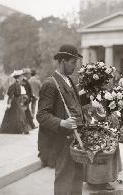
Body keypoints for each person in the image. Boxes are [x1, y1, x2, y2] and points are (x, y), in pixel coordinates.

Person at [37, 44, 84, 195]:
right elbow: (42, 115)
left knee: (77, 179)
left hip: (77, 140)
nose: (75, 66)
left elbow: (75, 105)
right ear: (63, 60)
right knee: (64, 180)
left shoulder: (69, 80)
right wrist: (62, 122)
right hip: (62, 142)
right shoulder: (50, 84)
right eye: (73, 62)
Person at [0, 70, 30, 134]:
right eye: (21, 76)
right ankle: (20, 130)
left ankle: (22, 130)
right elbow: (11, 95)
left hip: (18, 101)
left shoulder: (18, 84)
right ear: (18, 77)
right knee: (17, 115)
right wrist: (9, 103)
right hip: (14, 102)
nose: (22, 78)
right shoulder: (14, 85)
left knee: (20, 115)